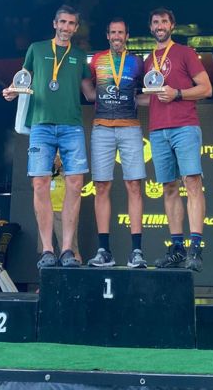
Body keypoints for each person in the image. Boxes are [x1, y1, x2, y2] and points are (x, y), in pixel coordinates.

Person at [3, 5, 94, 269]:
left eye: (71, 23)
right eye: (62, 22)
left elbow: (89, 93)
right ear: (55, 23)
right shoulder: (37, 49)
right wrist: (11, 90)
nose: (66, 27)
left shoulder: (79, 55)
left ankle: (67, 249)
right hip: (41, 125)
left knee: (75, 184)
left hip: (71, 126)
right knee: (40, 183)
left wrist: (121, 93)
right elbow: (23, 79)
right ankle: (47, 250)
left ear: (76, 28)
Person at [143, 8, 212, 271]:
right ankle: (177, 248)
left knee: (192, 182)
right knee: (168, 188)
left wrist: (178, 94)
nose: (159, 25)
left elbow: (206, 88)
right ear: (150, 27)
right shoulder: (148, 60)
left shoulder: (185, 52)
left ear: (172, 25)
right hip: (157, 129)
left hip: (184, 126)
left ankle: (196, 248)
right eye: (155, 22)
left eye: (164, 21)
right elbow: (149, 96)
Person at [87, 18, 147, 268]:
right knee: (101, 186)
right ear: (107, 35)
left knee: (134, 185)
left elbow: (149, 89)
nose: (116, 36)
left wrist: (142, 99)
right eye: (113, 32)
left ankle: (136, 251)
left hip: (130, 126)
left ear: (127, 35)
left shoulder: (137, 62)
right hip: (102, 126)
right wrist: (92, 95)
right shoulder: (97, 60)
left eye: (120, 32)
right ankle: (104, 251)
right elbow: (86, 85)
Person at [38, 152, 82, 263]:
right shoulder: (44, 148)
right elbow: (36, 183)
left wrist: (61, 165)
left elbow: (76, 181)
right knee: (45, 252)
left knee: (72, 252)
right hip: (46, 209)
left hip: (64, 210)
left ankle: (75, 272)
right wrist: (50, 166)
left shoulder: (69, 148)